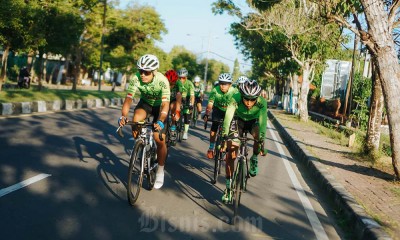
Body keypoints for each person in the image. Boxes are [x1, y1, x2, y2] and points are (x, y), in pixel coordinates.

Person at [118, 54, 170, 189]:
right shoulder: (136, 78)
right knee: (135, 119)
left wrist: (161, 120)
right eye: (140, 71)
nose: (142, 74)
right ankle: (140, 145)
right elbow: (128, 99)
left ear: (153, 72)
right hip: (145, 104)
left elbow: (165, 105)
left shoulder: (162, 81)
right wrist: (123, 116)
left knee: (159, 139)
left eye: (146, 72)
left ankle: (160, 170)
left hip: (160, 107)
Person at [220, 79, 268, 203]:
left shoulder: (262, 102)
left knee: (258, 137)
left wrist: (261, 140)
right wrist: (225, 135)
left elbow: (263, 123)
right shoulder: (235, 98)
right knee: (231, 154)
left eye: (252, 100)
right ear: (242, 95)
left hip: (253, 122)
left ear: (257, 97)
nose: (248, 102)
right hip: (238, 122)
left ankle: (254, 158)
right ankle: (228, 188)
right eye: (246, 99)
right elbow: (228, 117)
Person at [203, 73, 238, 159]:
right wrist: (207, 114)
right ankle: (211, 147)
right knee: (214, 126)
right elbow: (210, 104)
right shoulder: (215, 90)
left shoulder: (234, 91)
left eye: (225, 84)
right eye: (221, 83)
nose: (222, 86)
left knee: (230, 129)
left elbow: (238, 105)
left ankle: (225, 145)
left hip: (229, 111)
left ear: (230, 84)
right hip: (218, 110)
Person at [165, 69, 183, 141]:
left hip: (174, 99)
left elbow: (179, 97)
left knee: (172, 107)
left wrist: (177, 112)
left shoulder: (178, 83)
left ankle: (173, 126)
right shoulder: (162, 81)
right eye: (169, 83)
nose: (170, 86)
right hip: (165, 99)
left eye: (172, 84)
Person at [177, 68, 195, 140]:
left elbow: (192, 96)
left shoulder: (190, 83)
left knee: (187, 115)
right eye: (180, 78)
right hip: (178, 98)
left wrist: (191, 104)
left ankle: (185, 132)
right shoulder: (177, 82)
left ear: (186, 77)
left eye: (183, 78)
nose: (181, 80)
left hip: (187, 99)